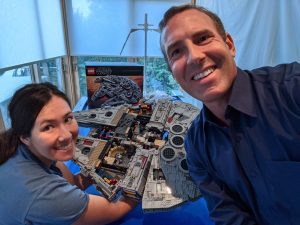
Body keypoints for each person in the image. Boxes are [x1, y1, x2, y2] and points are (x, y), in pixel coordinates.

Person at [159, 4, 300, 225]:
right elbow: (230, 216)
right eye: (176, 51)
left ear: (230, 45)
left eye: (203, 38)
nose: (194, 57)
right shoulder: (196, 147)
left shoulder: (292, 90)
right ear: (173, 75)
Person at [0, 82, 137, 225]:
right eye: (48, 127)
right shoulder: (42, 193)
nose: (66, 135)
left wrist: (105, 168)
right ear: (25, 137)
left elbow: (74, 183)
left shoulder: (21, 149)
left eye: (67, 119)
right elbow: (116, 208)